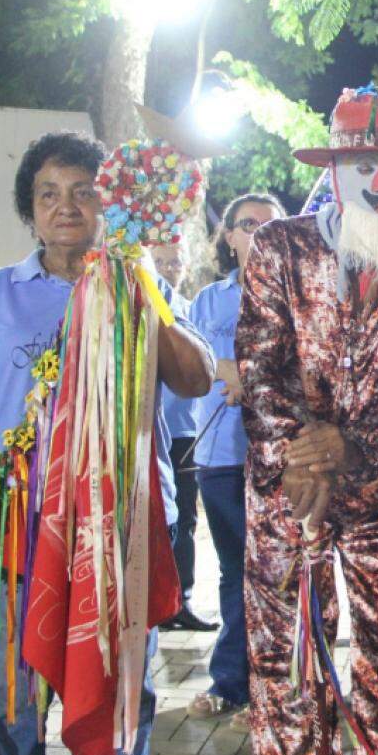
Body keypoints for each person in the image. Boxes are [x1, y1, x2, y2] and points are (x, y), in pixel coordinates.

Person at [0, 131, 214, 755]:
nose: (66, 207)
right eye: (47, 194)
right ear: (29, 211)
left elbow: (195, 379)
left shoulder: (138, 283)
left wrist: (141, 284)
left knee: (116, 709)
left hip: (121, 535)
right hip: (17, 533)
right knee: (10, 709)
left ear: (109, 203)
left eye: (84, 192)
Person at [236, 86, 378, 755]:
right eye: (368, 167)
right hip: (288, 496)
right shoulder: (280, 247)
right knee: (287, 658)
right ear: (332, 173)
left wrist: (349, 447)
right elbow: (258, 363)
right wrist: (299, 459)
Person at [185, 192, 285, 730]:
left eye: (272, 226)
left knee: (282, 575)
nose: (260, 235)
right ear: (229, 237)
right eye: (248, 225)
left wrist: (256, 379)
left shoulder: (301, 294)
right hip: (222, 458)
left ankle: (282, 687)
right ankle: (232, 682)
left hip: (284, 461)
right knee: (233, 574)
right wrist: (227, 369)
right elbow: (191, 367)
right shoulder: (206, 301)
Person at [151, 239, 218, 633]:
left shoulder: (185, 310)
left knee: (184, 519)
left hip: (187, 432)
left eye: (174, 261)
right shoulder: (141, 299)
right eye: (159, 261)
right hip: (153, 433)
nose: (168, 267)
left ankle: (182, 598)